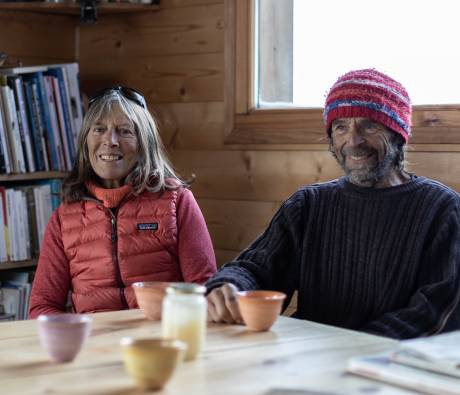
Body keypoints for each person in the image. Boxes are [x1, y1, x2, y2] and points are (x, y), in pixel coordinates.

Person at [206, 69, 460, 339]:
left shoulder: (442, 209)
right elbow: (255, 269)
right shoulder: (308, 204)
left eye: (369, 125)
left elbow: (435, 310)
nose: (353, 141)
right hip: (311, 359)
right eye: (341, 127)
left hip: (392, 368)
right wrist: (229, 286)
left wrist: (351, 348)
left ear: (398, 134)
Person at [29, 86, 216, 318]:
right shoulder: (64, 218)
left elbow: (203, 290)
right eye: (99, 129)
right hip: (94, 345)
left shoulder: (176, 201)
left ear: (144, 144)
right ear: (86, 144)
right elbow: (42, 307)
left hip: (160, 339)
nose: (110, 141)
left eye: (124, 131)